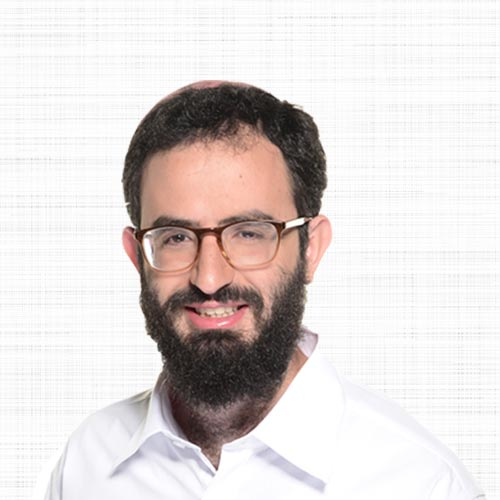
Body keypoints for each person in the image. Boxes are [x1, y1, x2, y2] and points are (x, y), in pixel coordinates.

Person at [44, 81, 485, 499]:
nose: (209, 278)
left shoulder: (419, 483)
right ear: (137, 255)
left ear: (311, 248)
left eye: (249, 233)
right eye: (176, 237)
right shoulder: (87, 464)